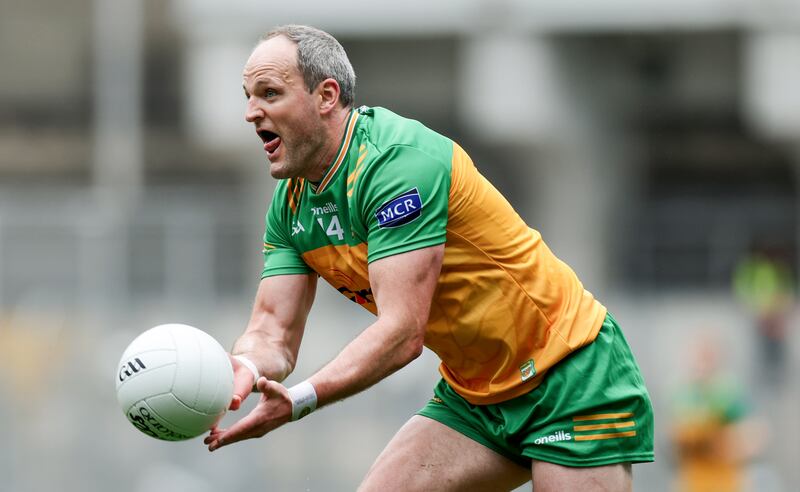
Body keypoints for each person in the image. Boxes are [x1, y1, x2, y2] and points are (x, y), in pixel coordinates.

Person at [204, 24, 654, 491]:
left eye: (269, 93)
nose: (251, 112)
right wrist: (245, 368)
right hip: (476, 393)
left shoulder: (398, 166)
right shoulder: (289, 205)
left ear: (326, 96)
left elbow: (402, 332)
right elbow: (272, 330)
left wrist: (300, 400)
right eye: (247, 96)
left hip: (569, 374)